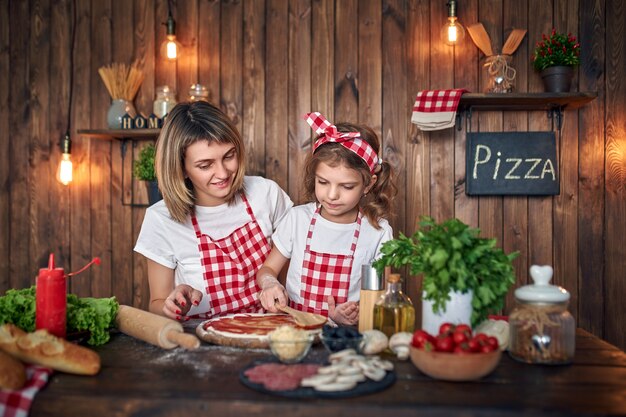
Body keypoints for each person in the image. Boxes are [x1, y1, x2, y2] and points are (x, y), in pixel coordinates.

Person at [134, 101, 293, 321]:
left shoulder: (265, 194)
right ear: (181, 169)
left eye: (229, 156)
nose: (222, 173)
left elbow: (295, 266)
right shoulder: (161, 219)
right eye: (205, 165)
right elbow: (156, 303)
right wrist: (176, 304)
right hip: (205, 343)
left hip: (272, 331)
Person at [256, 112, 396, 326]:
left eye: (346, 187)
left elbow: (379, 300)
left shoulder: (378, 233)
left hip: (345, 337)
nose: (332, 195)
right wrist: (269, 284)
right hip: (294, 331)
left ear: (368, 184)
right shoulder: (297, 219)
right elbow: (268, 270)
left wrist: (350, 316)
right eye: (323, 182)